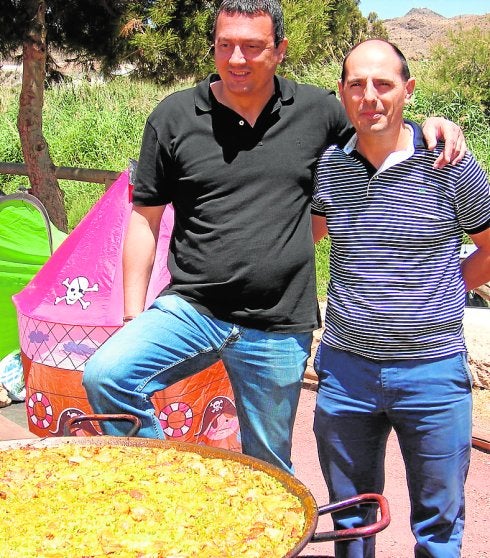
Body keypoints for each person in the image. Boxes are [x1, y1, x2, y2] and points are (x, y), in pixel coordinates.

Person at [83, 0, 466, 474]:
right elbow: (146, 218)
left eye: (252, 46)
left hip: (279, 325)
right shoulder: (175, 115)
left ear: (280, 49)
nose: (237, 59)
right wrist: (132, 314)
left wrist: (427, 125)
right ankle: (168, 483)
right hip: (192, 307)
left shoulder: (318, 110)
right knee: (108, 375)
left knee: (268, 470)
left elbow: (380, 127)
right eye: (226, 46)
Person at [311, 39, 490, 557]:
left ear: (407, 91)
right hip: (347, 375)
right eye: (357, 85)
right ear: (342, 94)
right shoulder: (328, 167)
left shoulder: (449, 163)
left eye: (384, 84)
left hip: (432, 375)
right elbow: (304, 238)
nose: (370, 96)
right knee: (351, 521)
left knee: (439, 528)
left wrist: (449, 284)